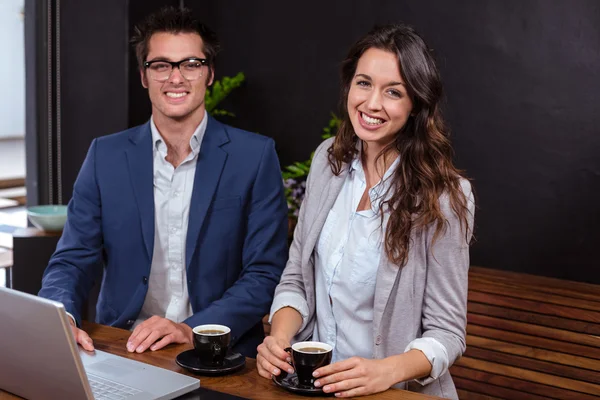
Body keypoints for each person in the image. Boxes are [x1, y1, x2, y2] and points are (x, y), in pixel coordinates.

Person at [38, 6, 288, 358]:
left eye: (191, 64)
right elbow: (72, 260)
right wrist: (60, 316)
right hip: (124, 345)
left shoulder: (255, 157)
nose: (176, 78)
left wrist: (191, 329)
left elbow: (264, 272)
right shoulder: (105, 157)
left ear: (210, 73)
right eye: (161, 65)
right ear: (144, 75)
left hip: (217, 353)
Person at [256, 24, 475, 399]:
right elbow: (296, 277)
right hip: (314, 386)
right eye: (363, 83)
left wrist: (383, 372)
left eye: (393, 92)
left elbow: (447, 332)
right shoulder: (328, 160)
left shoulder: (444, 196)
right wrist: (278, 340)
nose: (372, 103)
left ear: (416, 105)